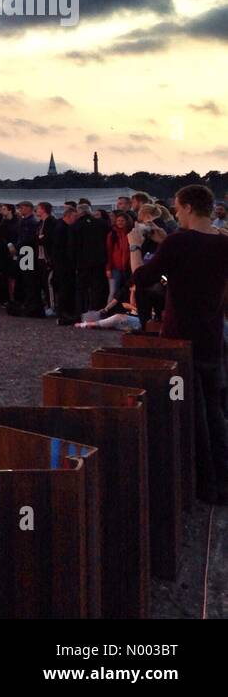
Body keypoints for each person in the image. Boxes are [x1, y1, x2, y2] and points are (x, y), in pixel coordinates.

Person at [132, 184, 228, 503]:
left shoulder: (179, 242)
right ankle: (221, 482)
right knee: (214, 410)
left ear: (187, 207)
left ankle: (203, 486)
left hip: (179, 337)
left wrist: (135, 247)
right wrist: (165, 245)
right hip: (211, 335)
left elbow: (143, 279)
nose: (174, 211)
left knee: (186, 409)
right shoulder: (222, 241)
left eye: (176, 206)